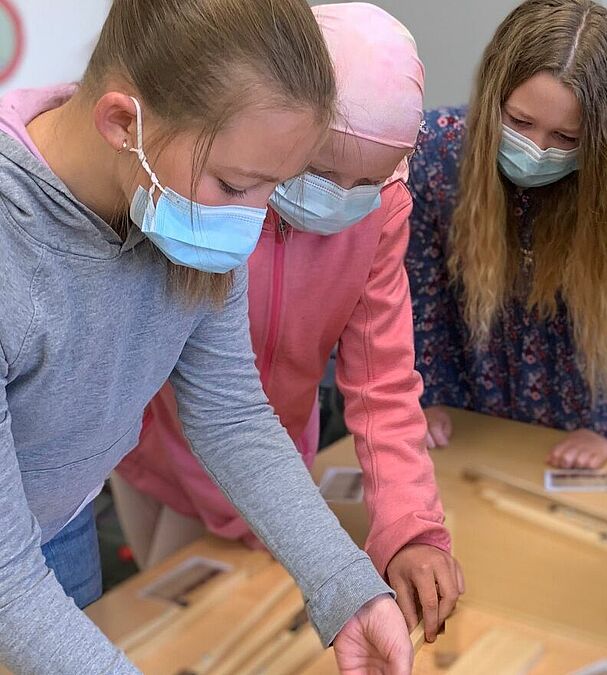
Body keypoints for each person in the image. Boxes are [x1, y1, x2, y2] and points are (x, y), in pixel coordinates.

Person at [0, 0, 410, 672]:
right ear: (121, 123)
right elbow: (9, 580)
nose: (251, 223)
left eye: (274, 187)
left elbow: (234, 416)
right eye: (235, 184)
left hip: (61, 518)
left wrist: (350, 590)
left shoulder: (177, 198)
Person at [111, 2, 462, 643]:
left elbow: (383, 382)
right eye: (320, 170)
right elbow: (202, 396)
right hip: (151, 443)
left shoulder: (381, 215)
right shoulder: (211, 200)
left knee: (233, 625)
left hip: (274, 461)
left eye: (368, 181)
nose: (343, 198)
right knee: (160, 622)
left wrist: (410, 524)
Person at [407, 0, 607, 470]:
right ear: (493, 94)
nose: (536, 151)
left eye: (565, 138)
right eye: (519, 123)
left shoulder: (606, 178)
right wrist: (424, 394)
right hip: (458, 403)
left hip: (564, 421)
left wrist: (605, 425)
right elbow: (419, 292)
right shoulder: (435, 152)